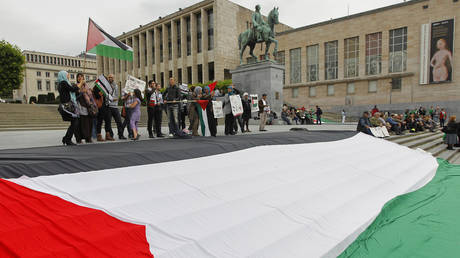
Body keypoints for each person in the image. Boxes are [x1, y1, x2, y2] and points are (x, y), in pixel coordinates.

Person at [57, 71, 79, 146]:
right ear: (63, 75)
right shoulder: (63, 83)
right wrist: (79, 85)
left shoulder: (61, 84)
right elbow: (72, 89)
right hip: (67, 106)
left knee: (74, 122)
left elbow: (71, 91)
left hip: (66, 106)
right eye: (67, 75)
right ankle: (67, 139)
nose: (68, 76)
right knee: (75, 121)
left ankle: (66, 138)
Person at [75, 73, 97, 143]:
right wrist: (81, 92)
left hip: (88, 106)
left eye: (82, 77)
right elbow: (75, 96)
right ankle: (79, 138)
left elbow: (91, 97)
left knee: (89, 123)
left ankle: (88, 137)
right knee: (82, 123)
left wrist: (89, 91)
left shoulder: (86, 86)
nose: (80, 78)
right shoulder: (76, 86)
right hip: (81, 106)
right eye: (79, 77)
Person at [93, 77, 113, 142]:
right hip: (100, 106)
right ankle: (99, 135)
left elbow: (109, 95)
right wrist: (99, 95)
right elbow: (95, 95)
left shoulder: (107, 87)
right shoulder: (97, 86)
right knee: (100, 121)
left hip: (107, 105)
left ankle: (108, 135)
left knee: (108, 120)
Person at [107, 74, 126, 140]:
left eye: (111, 77)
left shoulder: (116, 86)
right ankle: (110, 135)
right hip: (108, 106)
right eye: (109, 77)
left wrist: (115, 99)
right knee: (108, 122)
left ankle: (121, 135)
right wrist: (111, 99)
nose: (110, 78)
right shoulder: (105, 85)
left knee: (119, 121)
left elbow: (117, 95)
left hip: (115, 106)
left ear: (113, 78)